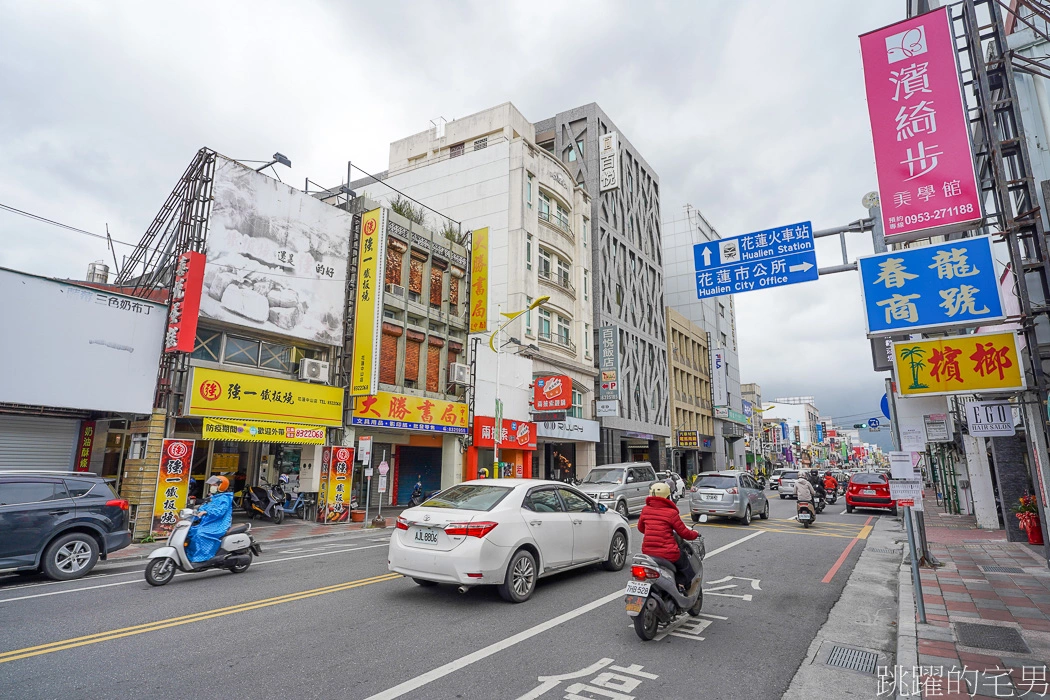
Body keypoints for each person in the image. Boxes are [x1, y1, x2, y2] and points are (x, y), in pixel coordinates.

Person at [637, 482, 701, 596]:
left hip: (647, 552)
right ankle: (682, 585)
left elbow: (641, 528)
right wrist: (695, 534)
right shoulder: (671, 513)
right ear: (668, 496)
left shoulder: (645, 510)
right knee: (684, 563)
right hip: (667, 553)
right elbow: (684, 533)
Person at [186, 475, 234, 563]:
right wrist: (196, 511)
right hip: (208, 521)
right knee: (191, 531)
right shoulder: (213, 497)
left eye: (215, 485)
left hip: (219, 523)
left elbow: (219, 512)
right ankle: (192, 554)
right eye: (212, 485)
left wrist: (206, 512)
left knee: (201, 534)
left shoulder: (225, 498)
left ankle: (204, 557)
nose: (212, 487)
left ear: (221, 486)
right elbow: (204, 506)